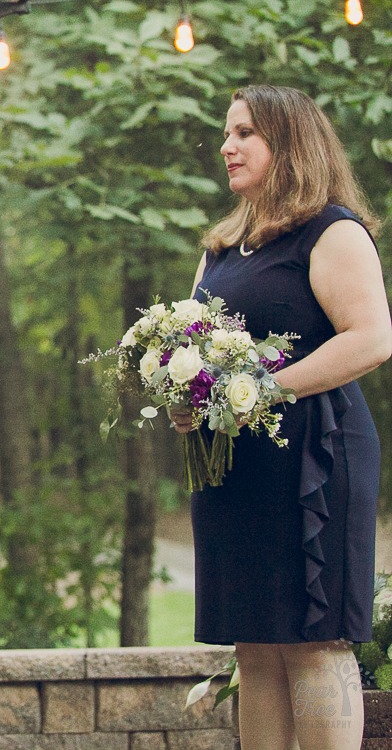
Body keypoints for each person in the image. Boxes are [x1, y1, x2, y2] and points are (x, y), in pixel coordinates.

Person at [171, 85, 391, 750]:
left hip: (315, 459)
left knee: (314, 641)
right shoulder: (220, 248)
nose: (226, 146)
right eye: (227, 133)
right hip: (238, 467)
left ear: (289, 146)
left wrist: (261, 392)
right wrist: (191, 398)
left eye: (244, 134)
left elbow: (371, 338)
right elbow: (193, 346)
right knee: (255, 646)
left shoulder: (332, 232)